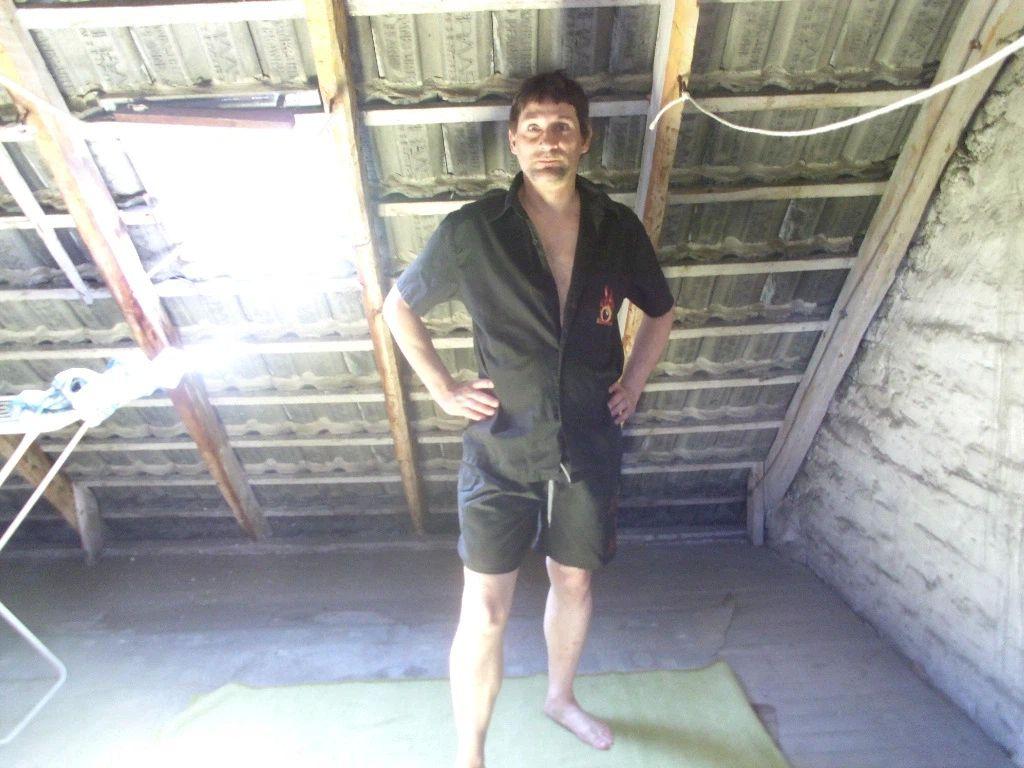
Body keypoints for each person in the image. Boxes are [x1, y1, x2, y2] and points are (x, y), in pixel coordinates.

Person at [382, 71, 675, 768]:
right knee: (485, 608)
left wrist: (633, 382)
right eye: (535, 130)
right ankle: (471, 753)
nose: (549, 142)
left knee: (574, 580)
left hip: (588, 440)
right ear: (514, 142)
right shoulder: (474, 230)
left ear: (584, 140)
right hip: (501, 447)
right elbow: (399, 306)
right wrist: (443, 386)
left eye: (562, 128)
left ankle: (560, 698)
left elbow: (660, 312)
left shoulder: (616, 228)